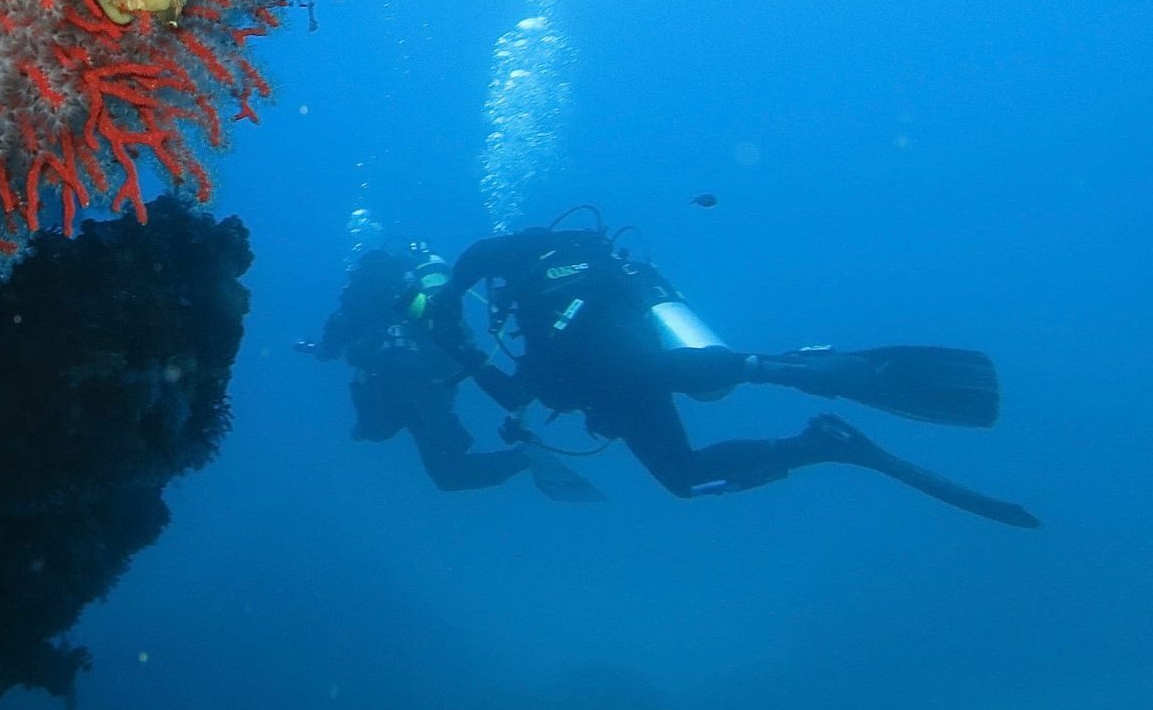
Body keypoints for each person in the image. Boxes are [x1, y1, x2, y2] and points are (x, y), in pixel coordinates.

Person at [417, 211, 1038, 527]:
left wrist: (458, 338)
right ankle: (775, 376)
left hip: (618, 377)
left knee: (684, 475)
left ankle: (808, 431)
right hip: (644, 367)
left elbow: (512, 374)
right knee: (677, 434)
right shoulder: (579, 270)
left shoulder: (518, 274)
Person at [295, 247, 532, 493]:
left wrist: (311, 347)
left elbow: (328, 350)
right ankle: (524, 457)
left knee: (379, 432)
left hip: (390, 389)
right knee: (450, 473)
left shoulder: (354, 300)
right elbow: (453, 334)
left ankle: (524, 457)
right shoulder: (410, 294)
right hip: (429, 388)